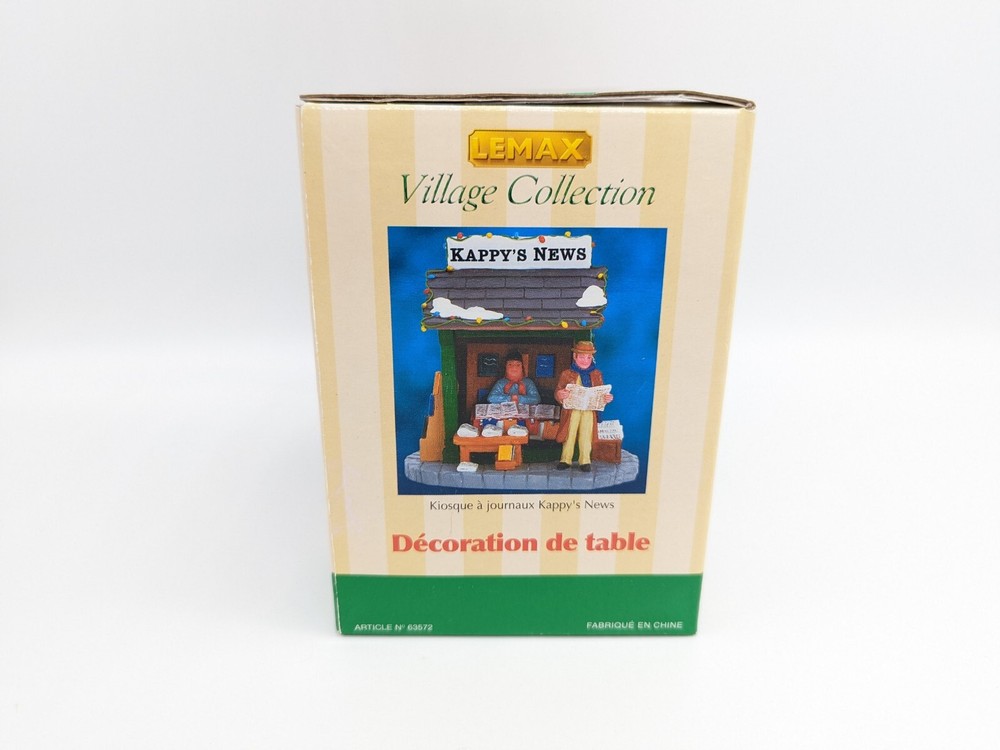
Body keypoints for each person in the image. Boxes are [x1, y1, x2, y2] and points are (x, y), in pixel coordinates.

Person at [554, 340, 613, 471]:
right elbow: (558, 390)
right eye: (582, 357)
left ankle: (585, 460)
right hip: (572, 410)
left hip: (589, 410)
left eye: (588, 357)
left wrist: (606, 398)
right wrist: (560, 394)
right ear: (575, 357)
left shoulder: (596, 374)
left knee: (586, 434)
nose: (585, 360)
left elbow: (601, 392)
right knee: (569, 434)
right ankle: (565, 459)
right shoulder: (566, 374)